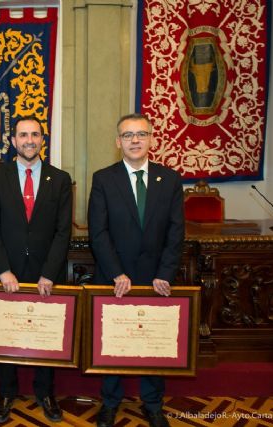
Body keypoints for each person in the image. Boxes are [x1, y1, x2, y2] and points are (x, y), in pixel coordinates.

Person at [87, 113, 184, 427]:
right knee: (112, 344)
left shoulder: (169, 179)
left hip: (156, 279)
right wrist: (117, 273)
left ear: (152, 139)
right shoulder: (103, 179)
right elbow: (97, 232)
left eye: (141, 134)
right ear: (118, 142)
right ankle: (110, 403)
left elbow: (175, 231)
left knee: (153, 344)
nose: (135, 140)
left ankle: (153, 404)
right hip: (116, 278)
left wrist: (165, 274)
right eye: (128, 135)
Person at [0, 116, 72, 423]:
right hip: (9, 272)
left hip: (46, 272)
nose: (29, 140)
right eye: (23, 135)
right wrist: (4, 271)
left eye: (34, 134)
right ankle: (7, 393)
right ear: (13, 141)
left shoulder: (60, 179)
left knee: (46, 335)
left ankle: (45, 392)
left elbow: (64, 232)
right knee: (6, 333)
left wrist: (49, 273)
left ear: (41, 139)